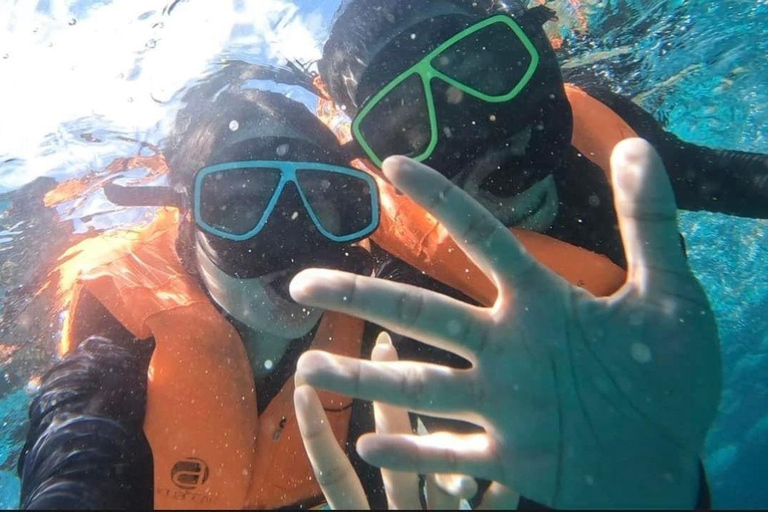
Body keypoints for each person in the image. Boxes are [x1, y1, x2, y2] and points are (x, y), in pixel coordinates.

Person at [292, 139, 721, 509]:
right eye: (412, 129)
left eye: (495, 75)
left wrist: (654, 482)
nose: (485, 153)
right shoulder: (400, 332)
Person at [17, 85, 388, 510]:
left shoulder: (382, 329)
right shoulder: (123, 344)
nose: (293, 237)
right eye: (243, 203)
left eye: (320, 197)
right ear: (188, 217)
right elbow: (74, 451)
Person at [318, 0, 768, 267]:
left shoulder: (613, 149)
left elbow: (738, 180)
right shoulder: (405, 294)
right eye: (409, 130)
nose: (482, 137)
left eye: (489, 72)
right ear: (378, 166)